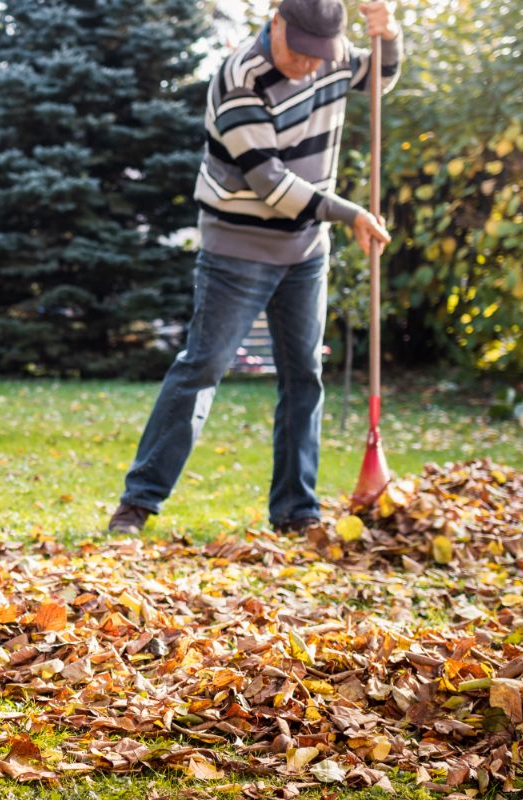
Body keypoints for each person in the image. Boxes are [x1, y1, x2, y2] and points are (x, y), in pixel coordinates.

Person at [108, 0, 401, 535]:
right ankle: (138, 504)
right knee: (202, 368)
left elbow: (377, 78)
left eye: (321, 55)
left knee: (304, 375)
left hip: (306, 251)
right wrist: (350, 212)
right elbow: (270, 183)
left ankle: (296, 512)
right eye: (302, 52)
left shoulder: (329, 56)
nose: (310, 65)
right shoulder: (239, 76)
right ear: (276, 21)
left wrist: (390, 36)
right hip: (237, 249)